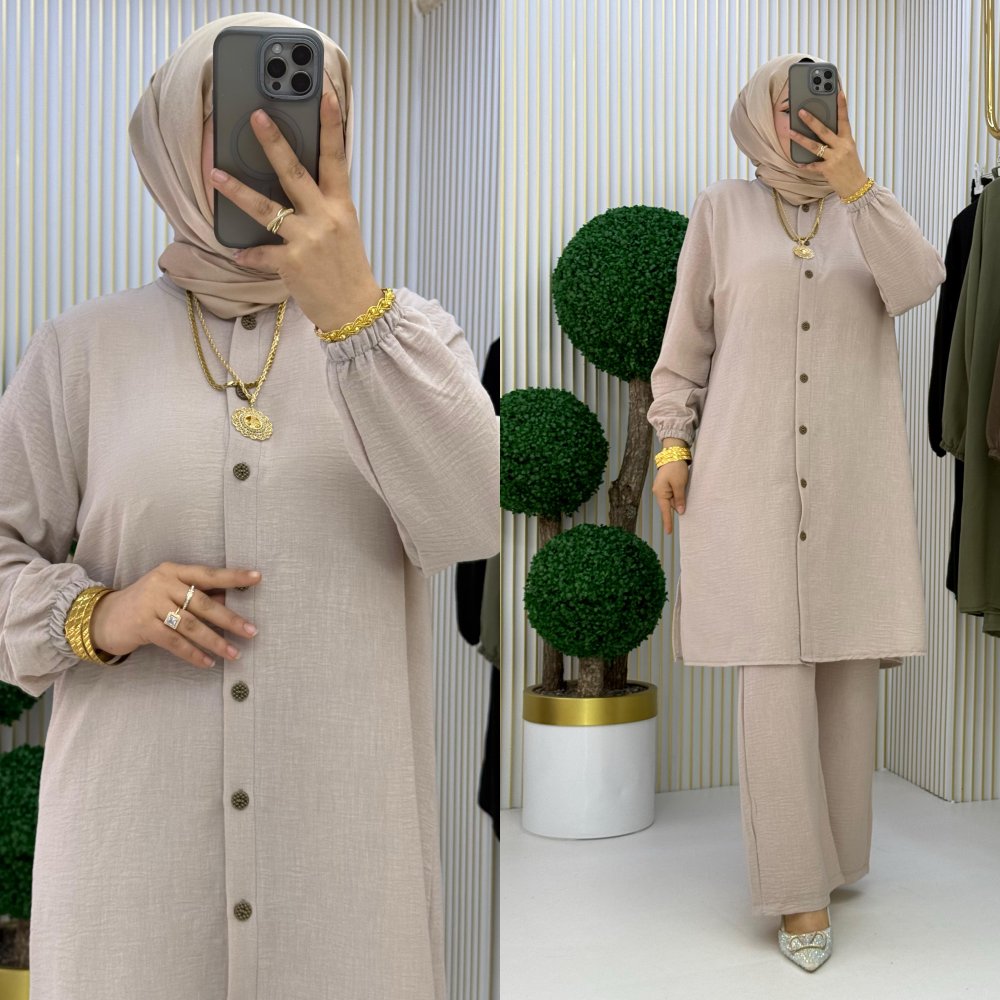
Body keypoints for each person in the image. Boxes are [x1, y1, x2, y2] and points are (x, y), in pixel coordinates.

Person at [0, 12, 498, 1000]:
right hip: (133, 875)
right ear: (169, 141)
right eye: (236, 117)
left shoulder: (414, 341)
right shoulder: (80, 352)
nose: (276, 148)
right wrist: (100, 614)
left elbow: (474, 517)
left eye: (308, 117)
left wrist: (354, 313)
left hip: (342, 874)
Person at [646, 54, 944, 973]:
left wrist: (859, 185)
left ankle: (836, 861)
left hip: (852, 485)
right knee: (774, 686)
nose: (810, 117)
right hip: (746, 484)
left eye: (827, 99)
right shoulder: (722, 211)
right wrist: (671, 443)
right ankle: (796, 889)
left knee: (846, 680)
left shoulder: (869, 211)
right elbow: (686, 345)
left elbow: (919, 283)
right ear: (760, 115)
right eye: (792, 104)